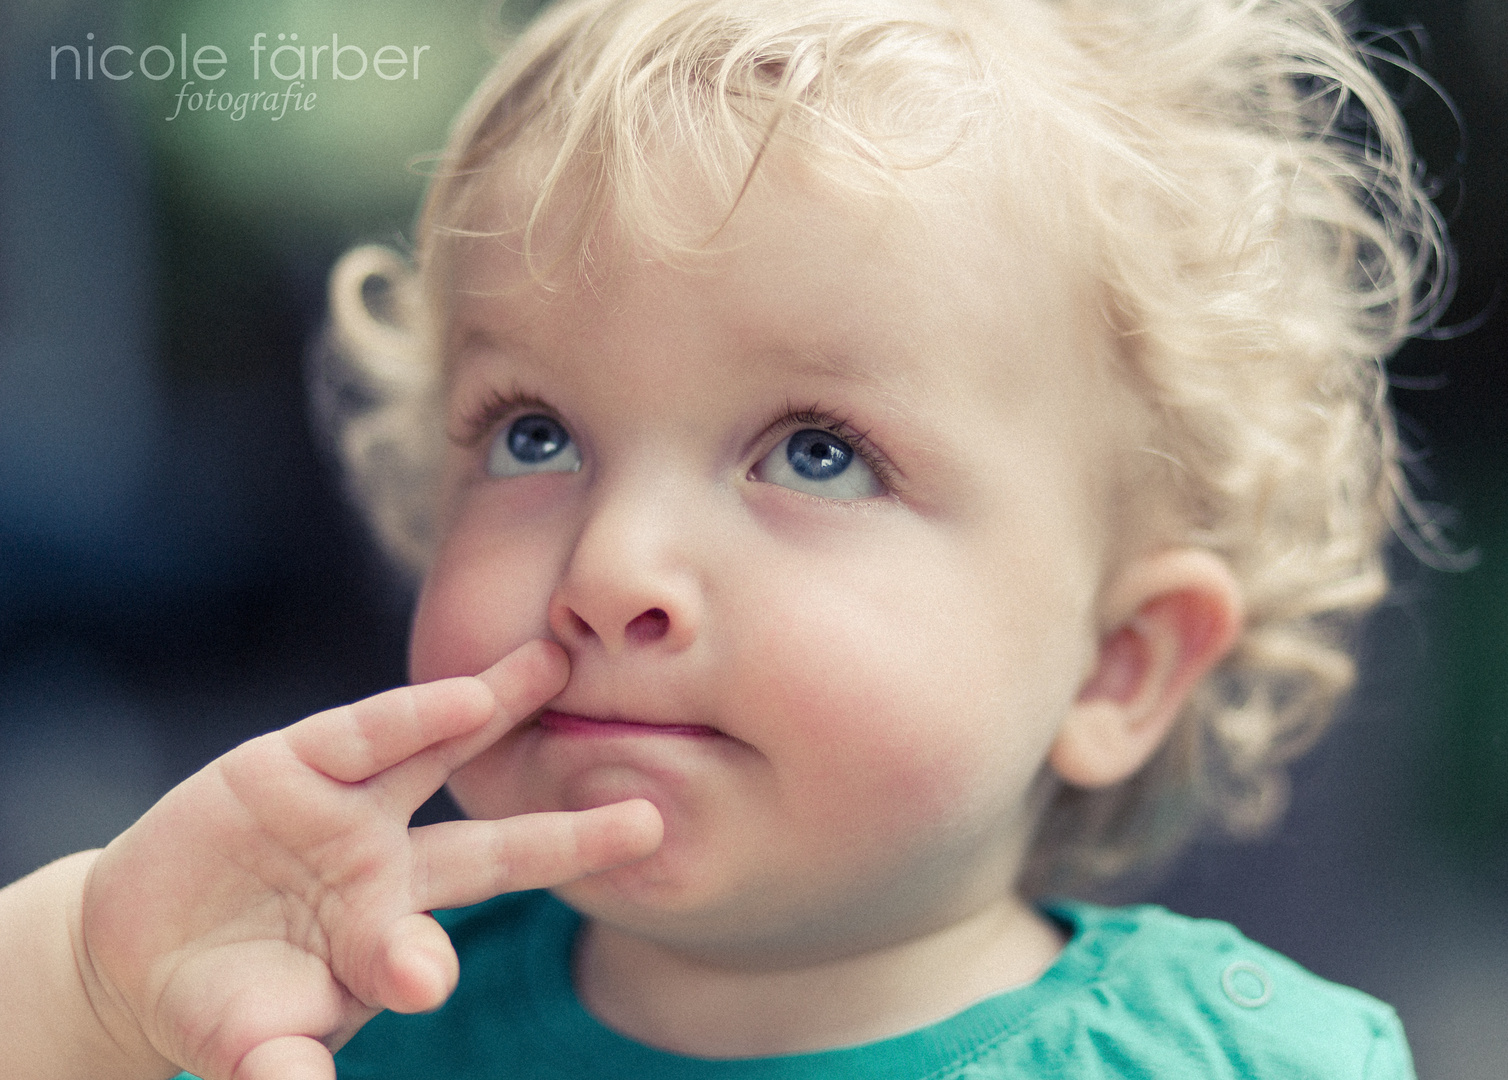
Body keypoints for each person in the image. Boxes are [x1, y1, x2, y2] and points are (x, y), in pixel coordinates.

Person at [0, 0, 1450, 1076]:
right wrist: (86, 985)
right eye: (535, 435)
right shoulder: (329, 1014)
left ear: (1118, 667)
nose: (611, 568)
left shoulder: (1247, 1060)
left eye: (817, 453)